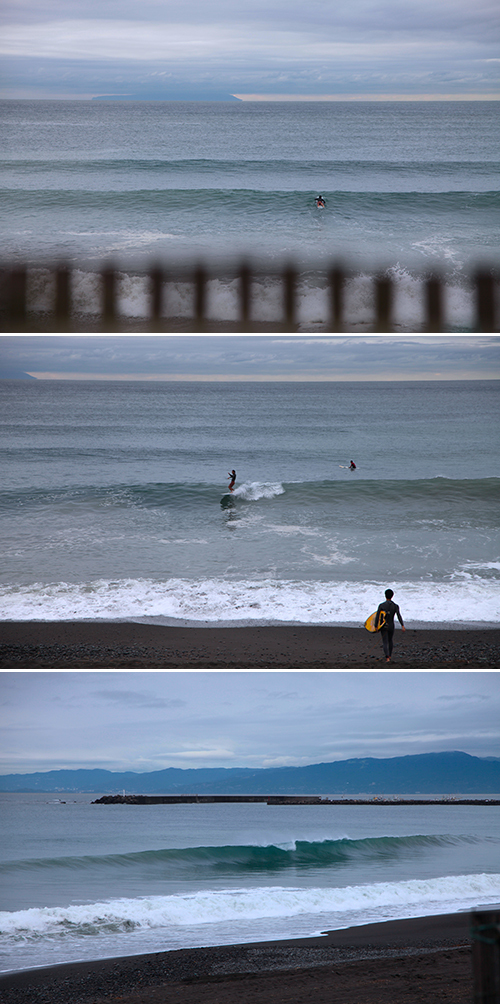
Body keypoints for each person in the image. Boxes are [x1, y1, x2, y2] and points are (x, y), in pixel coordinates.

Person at [375, 588, 405, 662]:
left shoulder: (381, 605)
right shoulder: (395, 606)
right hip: (391, 626)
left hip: (383, 626)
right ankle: (390, 656)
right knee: (390, 640)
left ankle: (387, 657)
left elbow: (378, 616)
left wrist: (376, 626)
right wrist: (402, 625)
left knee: (385, 641)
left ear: (385, 596)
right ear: (392, 596)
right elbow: (399, 616)